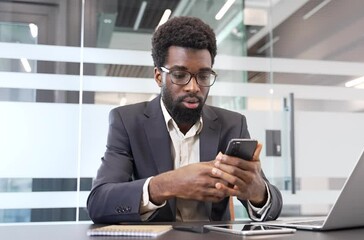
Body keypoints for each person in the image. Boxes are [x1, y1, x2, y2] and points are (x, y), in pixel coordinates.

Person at [86, 16, 282, 224]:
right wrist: (167, 184)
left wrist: (258, 192)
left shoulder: (232, 124)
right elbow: (99, 202)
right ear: (159, 76)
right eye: (180, 75)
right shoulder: (127, 121)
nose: (193, 87)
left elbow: (273, 206)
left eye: (204, 76)